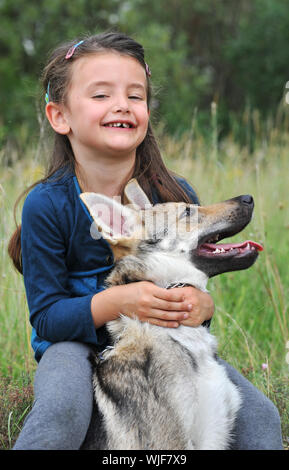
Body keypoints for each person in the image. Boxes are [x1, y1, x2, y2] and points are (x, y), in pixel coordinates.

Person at [8, 32, 283, 450]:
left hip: (163, 343)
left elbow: (187, 285)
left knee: (260, 415)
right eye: (101, 94)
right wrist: (121, 301)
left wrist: (201, 307)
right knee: (61, 410)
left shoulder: (173, 193)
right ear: (59, 116)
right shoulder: (47, 204)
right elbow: (46, 317)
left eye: (135, 96)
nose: (122, 104)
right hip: (73, 346)